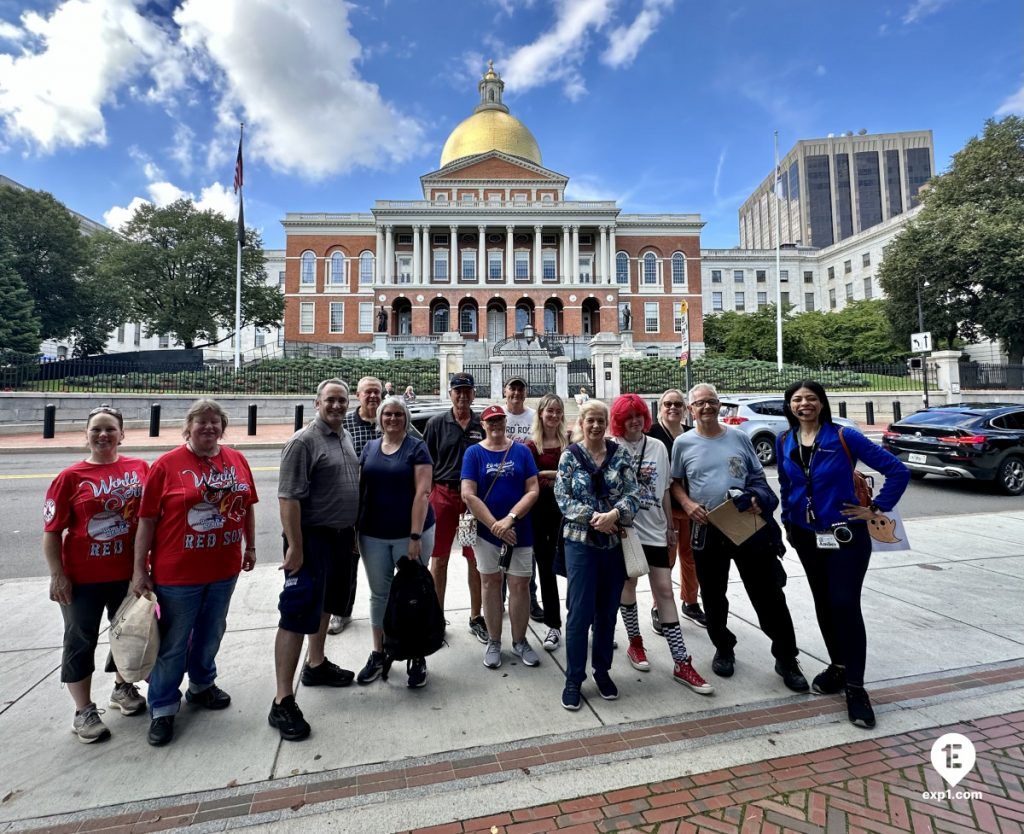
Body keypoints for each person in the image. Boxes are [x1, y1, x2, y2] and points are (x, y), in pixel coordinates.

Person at [777, 379, 910, 729]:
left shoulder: (842, 436)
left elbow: (897, 470)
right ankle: (838, 666)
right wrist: (789, 523)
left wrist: (877, 507)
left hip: (846, 536)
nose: (803, 404)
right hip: (807, 537)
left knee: (844, 604)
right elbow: (788, 485)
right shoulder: (785, 440)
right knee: (823, 601)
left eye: (810, 399)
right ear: (789, 405)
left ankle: (856, 687)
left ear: (822, 403)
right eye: (796, 399)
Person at [132, 399, 258, 747]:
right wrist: (139, 569)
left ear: (222, 427)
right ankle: (163, 705)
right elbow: (146, 520)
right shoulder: (166, 465)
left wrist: (250, 547)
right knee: (173, 642)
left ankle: (202, 684)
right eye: (201, 422)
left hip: (223, 567)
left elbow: (246, 505)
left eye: (215, 422)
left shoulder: (236, 460)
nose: (208, 428)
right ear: (188, 427)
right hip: (177, 573)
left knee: (211, 631)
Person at [670, 383, 809, 694]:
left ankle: (787, 657)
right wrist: (689, 504)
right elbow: (676, 484)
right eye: (699, 403)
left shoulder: (739, 437)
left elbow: (757, 476)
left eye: (711, 402)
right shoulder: (683, 443)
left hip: (744, 524)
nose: (706, 407)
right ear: (691, 410)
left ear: (719, 406)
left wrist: (758, 497)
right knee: (714, 595)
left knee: (768, 593)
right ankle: (724, 646)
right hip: (707, 528)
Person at [43, 405, 149, 743]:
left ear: (122, 433)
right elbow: (51, 533)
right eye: (96, 430)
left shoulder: (140, 469)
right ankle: (83, 711)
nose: (103, 435)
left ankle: (122, 688)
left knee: (128, 634)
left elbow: (150, 521)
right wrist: (58, 575)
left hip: (127, 573)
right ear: (86, 435)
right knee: (80, 639)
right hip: (82, 578)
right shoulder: (69, 478)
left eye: (110, 429)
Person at [269, 379, 360, 742]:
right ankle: (282, 699)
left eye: (342, 401)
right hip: (311, 539)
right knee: (296, 613)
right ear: (317, 402)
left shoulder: (343, 435)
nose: (337, 406)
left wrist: (351, 533)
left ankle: (316, 664)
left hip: (340, 537)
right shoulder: (303, 442)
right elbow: (288, 498)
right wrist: (295, 546)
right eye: (331, 400)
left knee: (326, 605)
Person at [609, 395, 713, 695]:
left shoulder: (657, 447)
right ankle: (635, 643)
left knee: (664, 590)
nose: (634, 421)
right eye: (628, 416)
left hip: (655, 528)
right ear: (619, 420)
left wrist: (669, 525)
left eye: (638, 415)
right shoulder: (613, 447)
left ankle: (681, 661)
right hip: (627, 531)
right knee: (628, 586)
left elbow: (666, 489)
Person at [554, 399, 641, 710]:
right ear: (582, 423)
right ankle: (574, 678)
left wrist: (615, 514)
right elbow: (562, 498)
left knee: (606, 612)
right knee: (579, 613)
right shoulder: (570, 457)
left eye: (600, 421)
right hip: (580, 543)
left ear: (606, 424)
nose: (594, 426)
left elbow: (635, 492)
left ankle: (602, 670)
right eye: (589, 420)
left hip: (613, 544)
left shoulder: (620, 456)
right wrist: (595, 518)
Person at [356, 396, 436, 687]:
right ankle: (379, 652)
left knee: (412, 596)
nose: (392, 419)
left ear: (406, 418)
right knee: (379, 595)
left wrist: (415, 536)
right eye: (387, 414)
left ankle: (417, 656)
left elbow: (423, 493)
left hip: (410, 535)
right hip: (373, 534)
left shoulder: (417, 448)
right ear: (379, 418)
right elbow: (361, 492)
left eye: (398, 414)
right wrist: (355, 530)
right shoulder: (369, 448)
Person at [462, 405, 541, 669]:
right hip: (488, 532)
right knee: (490, 583)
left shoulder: (521, 450)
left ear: (506, 422)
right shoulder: (474, 453)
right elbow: (468, 494)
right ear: (483, 425)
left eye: (499, 420)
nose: (495, 424)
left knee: (520, 585)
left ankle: (519, 641)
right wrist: (495, 525)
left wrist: (510, 519)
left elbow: (532, 489)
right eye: (490, 421)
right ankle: (494, 640)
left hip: (520, 529)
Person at [423, 373, 486, 639]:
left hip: (473, 501)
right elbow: (426, 462)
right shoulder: (437, 423)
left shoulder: (481, 424)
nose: (462, 395)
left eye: (467, 391)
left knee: (475, 559)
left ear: (473, 394)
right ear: (450, 393)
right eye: (457, 391)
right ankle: (436, 617)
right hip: (443, 496)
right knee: (439, 559)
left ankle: (476, 616)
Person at [647, 389, 706, 629]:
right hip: (664, 507)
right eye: (668, 404)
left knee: (691, 557)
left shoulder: (693, 434)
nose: (673, 408)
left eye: (678, 404)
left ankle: (690, 602)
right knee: (665, 559)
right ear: (660, 408)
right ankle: (658, 605)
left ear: (685, 409)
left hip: (691, 506)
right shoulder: (651, 433)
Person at [330, 376, 384, 635]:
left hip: (385, 505)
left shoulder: (390, 419)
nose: (373, 396)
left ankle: (390, 612)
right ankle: (341, 612)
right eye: (368, 392)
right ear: (358, 395)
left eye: (377, 392)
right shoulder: (345, 424)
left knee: (386, 565)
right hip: (352, 505)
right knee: (346, 562)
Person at [525, 394, 569, 651]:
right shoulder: (532, 446)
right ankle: (553, 624)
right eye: (549, 411)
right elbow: (531, 481)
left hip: (568, 514)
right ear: (540, 413)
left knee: (576, 568)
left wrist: (549, 474)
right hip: (540, 514)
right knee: (546, 569)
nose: (553, 415)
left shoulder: (570, 441)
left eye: (557, 411)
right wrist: (557, 477)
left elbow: (576, 478)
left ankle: (580, 620)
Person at [502, 374, 543, 621]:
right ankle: (499, 599)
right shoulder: (497, 415)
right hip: (502, 487)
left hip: (527, 489)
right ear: (505, 391)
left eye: (520, 389)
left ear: (525, 392)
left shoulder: (533, 417)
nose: (516, 393)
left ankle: (531, 598)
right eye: (512, 389)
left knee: (528, 550)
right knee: (499, 547)